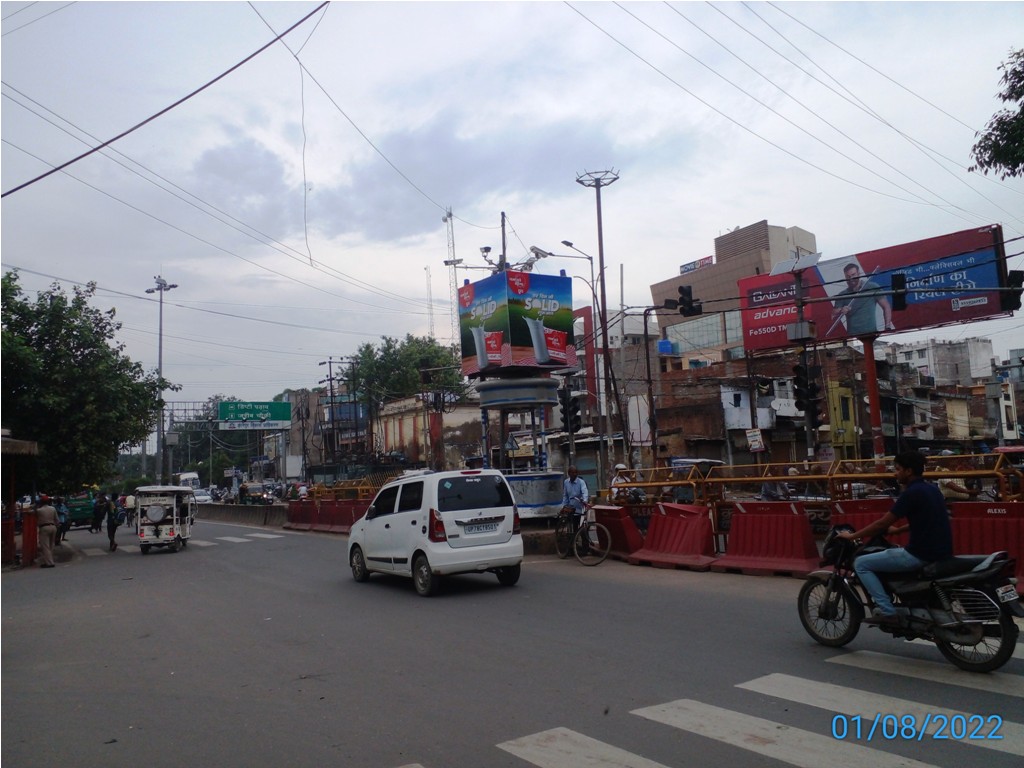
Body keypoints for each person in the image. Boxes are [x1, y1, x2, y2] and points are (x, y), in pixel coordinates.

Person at [838, 451, 952, 625]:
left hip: (919, 555)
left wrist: (852, 535)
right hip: (942, 552)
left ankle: (888, 611)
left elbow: (881, 524)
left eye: (897, 469)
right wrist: (898, 531)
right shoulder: (932, 489)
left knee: (861, 563)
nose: (894, 473)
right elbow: (926, 520)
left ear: (908, 471)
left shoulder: (911, 493)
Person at [831, 263, 895, 336]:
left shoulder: (872, 287)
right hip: (852, 336)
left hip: (872, 333)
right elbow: (833, 315)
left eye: (853, 275)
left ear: (859, 273)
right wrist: (841, 310)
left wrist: (887, 326)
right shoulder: (842, 294)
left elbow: (886, 306)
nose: (851, 278)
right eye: (848, 276)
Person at [561, 465, 589, 535]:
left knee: (583, 528)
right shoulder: (566, 482)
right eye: (572, 473)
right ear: (569, 473)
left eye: (576, 472)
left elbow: (584, 492)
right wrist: (564, 505)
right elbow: (565, 495)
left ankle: (585, 545)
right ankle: (575, 543)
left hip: (581, 508)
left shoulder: (581, 482)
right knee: (574, 528)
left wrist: (585, 500)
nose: (574, 474)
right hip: (572, 508)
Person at [35, 496, 59, 568]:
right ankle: (50, 560)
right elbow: (57, 519)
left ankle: (49, 563)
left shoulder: (39, 510)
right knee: (51, 545)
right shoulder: (53, 509)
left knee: (45, 546)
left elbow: (33, 514)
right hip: (53, 527)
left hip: (44, 528)